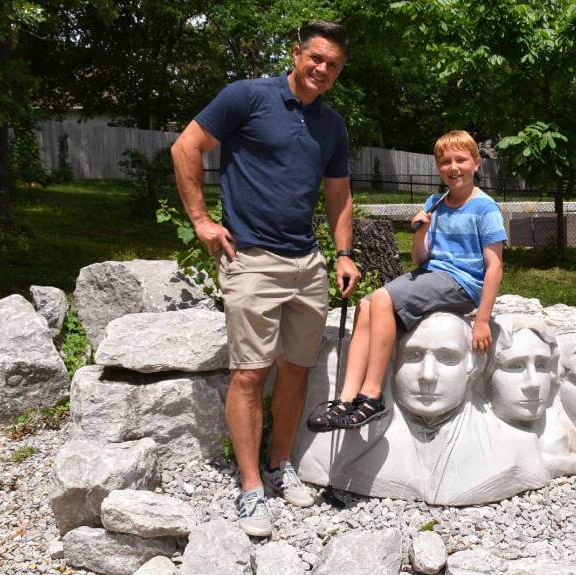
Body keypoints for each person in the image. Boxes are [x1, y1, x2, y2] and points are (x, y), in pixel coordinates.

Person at [170, 20, 360, 537]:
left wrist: (343, 253)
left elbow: (338, 195)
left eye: (334, 65)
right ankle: (251, 488)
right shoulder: (246, 98)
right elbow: (185, 149)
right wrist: (202, 222)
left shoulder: (332, 126)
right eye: (316, 58)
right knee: (250, 375)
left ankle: (280, 467)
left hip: (306, 264)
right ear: (297, 53)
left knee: (295, 370)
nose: (322, 69)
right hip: (251, 259)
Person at [306, 130, 506, 431]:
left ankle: (371, 396)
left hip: (462, 283)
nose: (453, 168)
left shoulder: (484, 208)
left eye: (461, 160)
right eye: (445, 161)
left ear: (476, 163)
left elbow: (494, 266)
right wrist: (421, 230)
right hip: (432, 274)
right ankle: (346, 400)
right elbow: (420, 259)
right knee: (366, 304)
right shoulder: (435, 204)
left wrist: (482, 318)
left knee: (383, 299)